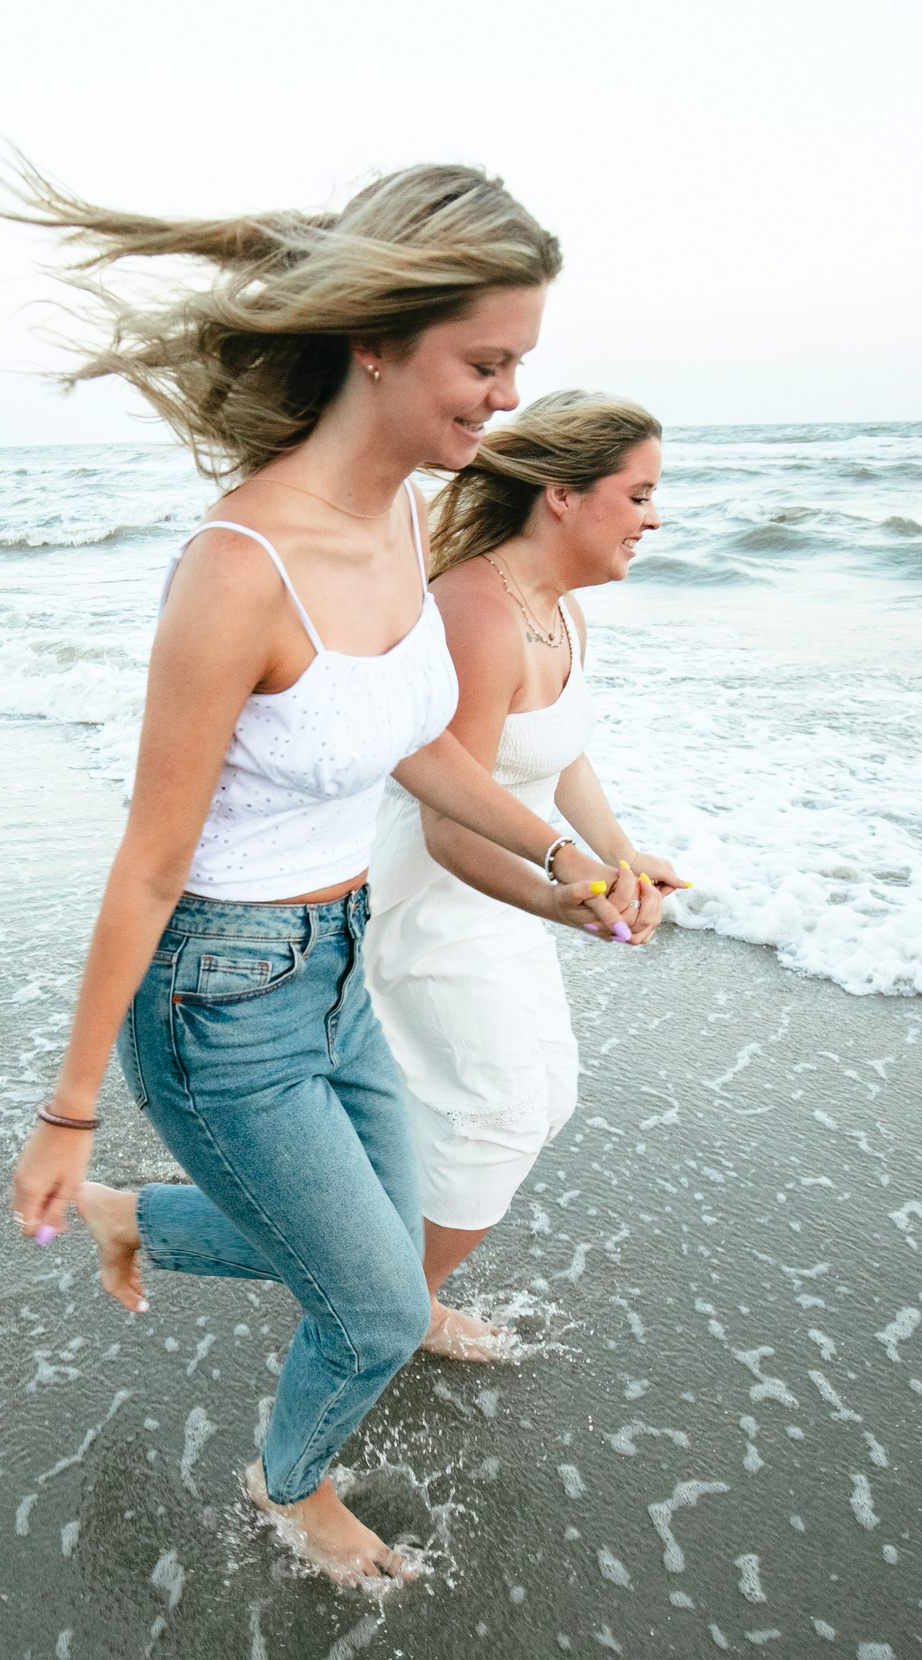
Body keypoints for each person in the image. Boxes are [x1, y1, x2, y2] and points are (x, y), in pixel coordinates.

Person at [0, 163, 642, 1585]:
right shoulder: (239, 570)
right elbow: (150, 861)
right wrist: (69, 1117)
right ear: (376, 341)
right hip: (219, 1000)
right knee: (375, 1311)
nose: (503, 397)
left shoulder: (410, 513)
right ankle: (291, 1488)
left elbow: (413, 745)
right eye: (484, 362)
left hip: (339, 959)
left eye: (517, 363)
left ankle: (134, 1224)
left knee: (385, 1250)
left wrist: (569, 864)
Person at [363, 391, 681, 1355]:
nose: (655, 518)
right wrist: (563, 896)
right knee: (496, 1112)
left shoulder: (562, 611)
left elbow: (561, 753)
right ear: (562, 497)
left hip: (502, 897)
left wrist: (620, 857)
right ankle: (382, 1312)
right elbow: (451, 823)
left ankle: (374, 1276)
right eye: (639, 494)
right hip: (430, 899)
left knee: (548, 1098)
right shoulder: (477, 612)